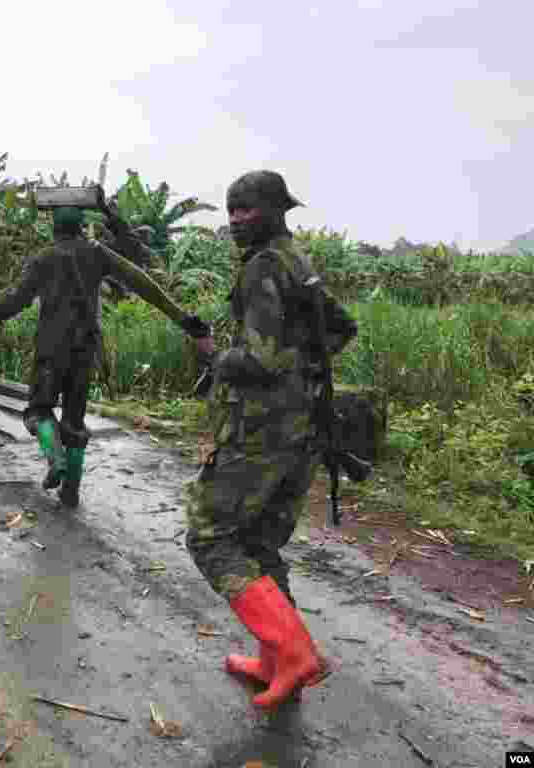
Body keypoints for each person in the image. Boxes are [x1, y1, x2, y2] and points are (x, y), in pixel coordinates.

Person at [184, 170, 358, 709]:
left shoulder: (263, 267)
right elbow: (341, 329)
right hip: (304, 427)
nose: (237, 219)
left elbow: (258, 359)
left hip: (258, 432)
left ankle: (295, 652)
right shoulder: (295, 261)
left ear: (276, 210)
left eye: (247, 210)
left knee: (210, 537)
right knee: (258, 543)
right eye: (231, 209)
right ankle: (276, 661)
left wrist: (213, 354)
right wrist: (300, 374)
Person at [0, 205, 213, 508]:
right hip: (85, 349)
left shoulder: (43, 259)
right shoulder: (97, 254)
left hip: (50, 349)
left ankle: (55, 458)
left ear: (54, 230)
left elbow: (18, 298)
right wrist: (183, 318)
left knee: (37, 412)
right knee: (74, 421)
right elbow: (142, 283)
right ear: (82, 227)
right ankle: (71, 490)